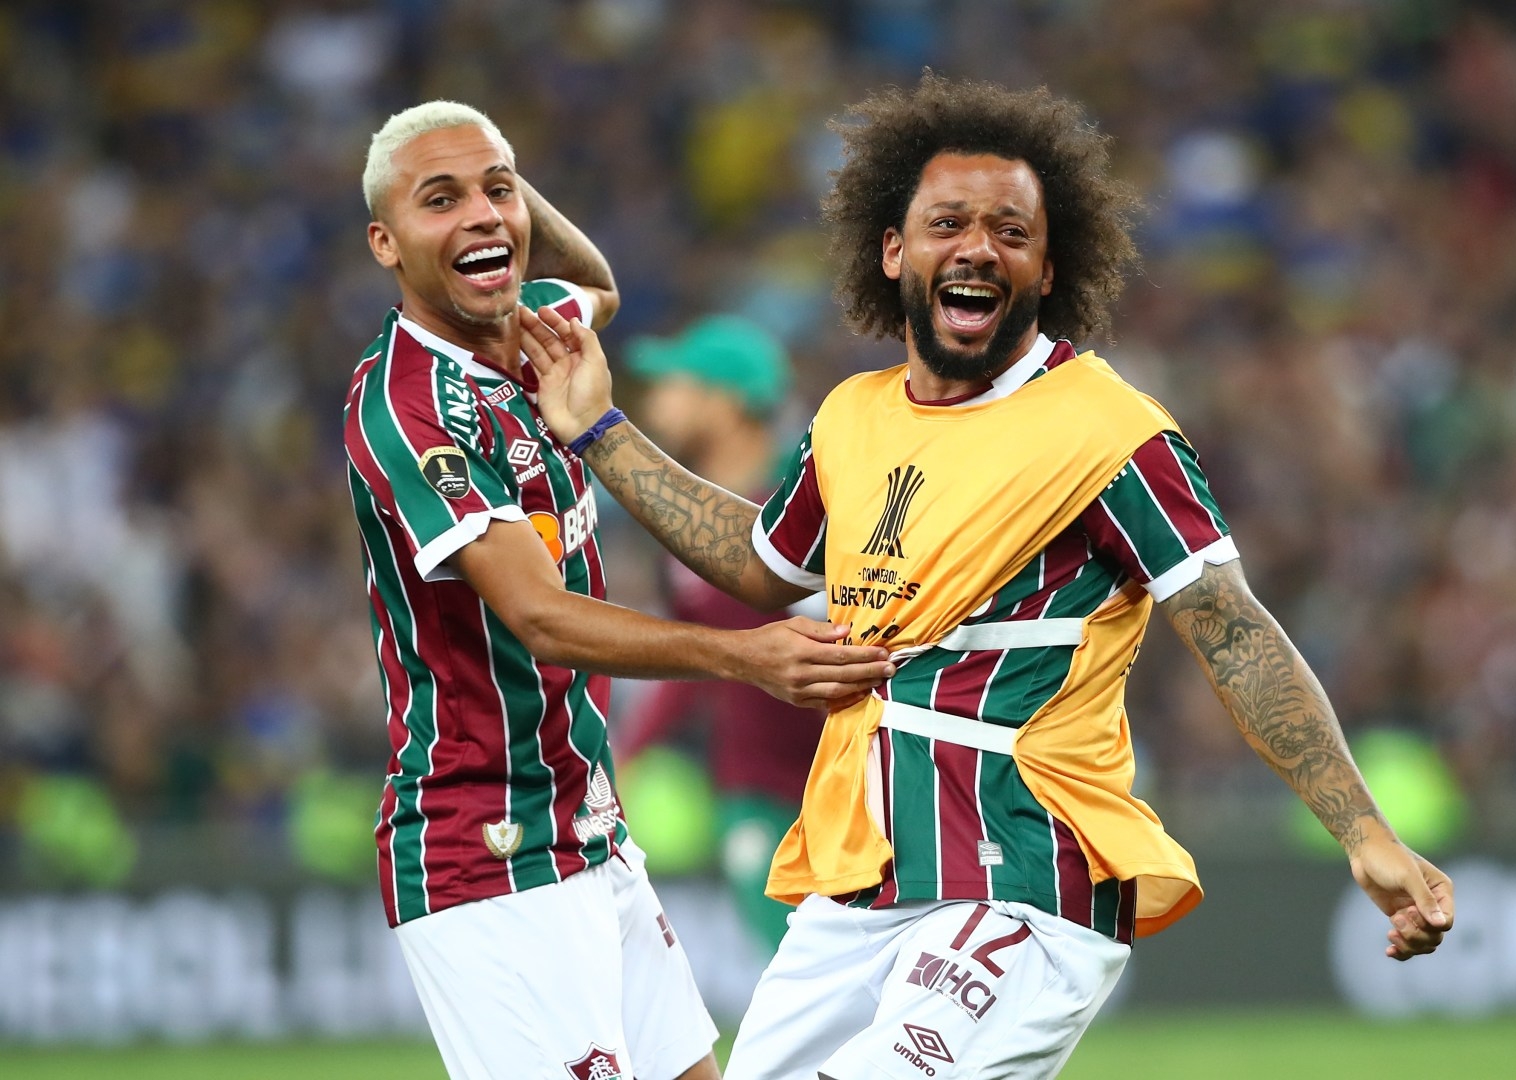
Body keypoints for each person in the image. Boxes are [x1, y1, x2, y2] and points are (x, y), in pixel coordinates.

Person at [519, 74, 1455, 1080]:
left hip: (1024, 881)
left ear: (1049, 268)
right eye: (949, 223)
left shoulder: (1109, 433)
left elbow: (1228, 626)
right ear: (895, 251)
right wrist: (601, 434)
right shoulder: (852, 418)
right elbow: (761, 566)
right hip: (860, 884)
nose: (978, 247)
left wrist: (1363, 830)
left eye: (1011, 231)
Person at [342, 100, 894, 1080]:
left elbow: (594, 282)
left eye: (498, 191)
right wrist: (743, 656)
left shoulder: (528, 335)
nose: (482, 214)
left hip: (588, 828)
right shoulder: (410, 408)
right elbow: (537, 616)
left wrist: (493, 198)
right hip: (487, 846)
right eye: (439, 201)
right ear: (383, 242)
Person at [615, 315, 826, 952]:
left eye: (674, 381)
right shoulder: (682, 529)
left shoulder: (818, 502)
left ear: (726, 400)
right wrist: (630, 752)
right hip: (757, 786)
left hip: (859, 779)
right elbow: (695, 653)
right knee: (794, 968)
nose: (655, 399)